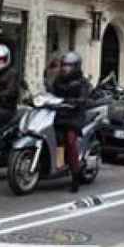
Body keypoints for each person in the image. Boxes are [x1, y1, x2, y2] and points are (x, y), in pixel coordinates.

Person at [49, 51, 92, 193]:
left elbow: (84, 98)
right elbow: (51, 92)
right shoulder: (58, 80)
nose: (65, 68)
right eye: (64, 65)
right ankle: (60, 165)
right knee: (56, 138)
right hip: (59, 114)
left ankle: (75, 175)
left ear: (76, 67)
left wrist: (74, 102)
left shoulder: (82, 82)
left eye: (69, 66)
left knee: (70, 140)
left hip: (74, 116)